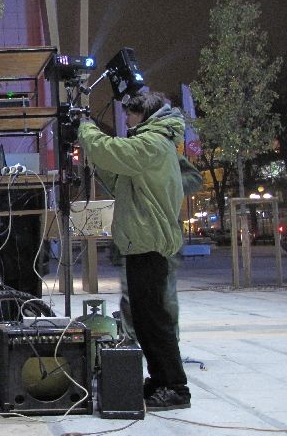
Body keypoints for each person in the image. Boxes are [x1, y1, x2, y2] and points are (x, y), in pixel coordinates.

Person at [78, 91, 190, 411]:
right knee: (143, 318)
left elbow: (112, 151)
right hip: (142, 242)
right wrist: (96, 154)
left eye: (129, 114)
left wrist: (86, 128)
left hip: (150, 242)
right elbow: (117, 173)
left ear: (143, 113)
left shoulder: (153, 143)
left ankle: (176, 387)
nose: (125, 120)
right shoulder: (150, 144)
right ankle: (160, 380)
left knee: (154, 319)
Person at [117, 155, 203, 347]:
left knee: (164, 292)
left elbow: (195, 178)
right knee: (130, 291)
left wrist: (161, 183)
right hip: (133, 234)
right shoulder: (127, 150)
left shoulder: (162, 148)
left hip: (163, 235)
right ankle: (130, 341)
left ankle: (169, 342)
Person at [0, 190, 47, 298]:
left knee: (10, 288)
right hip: (29, 246)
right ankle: (30, 307)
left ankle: (12, 308)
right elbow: (40, 222)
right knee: (29, 286)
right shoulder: (33, 192)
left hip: (7, 246)